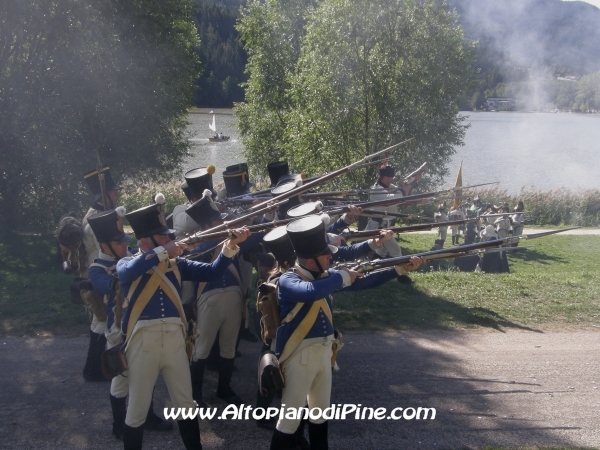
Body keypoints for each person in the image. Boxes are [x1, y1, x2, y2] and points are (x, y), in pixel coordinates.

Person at [270, 215, 424, 450]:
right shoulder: (288, 280)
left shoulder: (327, 277)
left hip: (324, 355)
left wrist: (399, 269)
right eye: (325, 254)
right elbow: (310, 291)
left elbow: (365, 281)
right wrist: (342, 276)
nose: (331, 256)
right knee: (289, 420)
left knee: (320, 416)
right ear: (312, 260)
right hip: (298, 357)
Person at [116, 194, 250, 449]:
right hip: (142, 342)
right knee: (137, 410)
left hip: (176, 342)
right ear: (145, 241)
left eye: (168, 237)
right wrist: (162, 251)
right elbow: (128, 271)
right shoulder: (128, 262)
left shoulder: (176, 264)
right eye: (163, 238)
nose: (170, 240)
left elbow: (212, 272)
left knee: (186, 405)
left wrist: (230, 246)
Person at [87, 208, 172, 439]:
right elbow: (112, 285)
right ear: (105, 246)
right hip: (119, 331)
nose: (125, 246)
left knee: (148, 374)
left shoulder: (134, 255)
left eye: (125, 241)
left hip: (141, 325)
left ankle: (149, 416)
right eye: (118, 242)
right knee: (121, 381)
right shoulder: (96, 269)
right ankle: (118, 424)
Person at [185, 192, 264, 407]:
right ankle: (196, 392)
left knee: (228, 348)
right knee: (201, 349)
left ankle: (224, 388)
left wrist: (262, 217)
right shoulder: (201, 245)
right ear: (209, 225)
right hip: (208, 299)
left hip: (234, 298)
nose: (224, 221)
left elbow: (255, 238)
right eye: (219, 220)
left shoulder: (230, 239)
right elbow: (197, 256)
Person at [80, 165, 121, 381]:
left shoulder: (96, 215)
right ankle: (94, 369)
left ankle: (95, 368)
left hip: (99, 274)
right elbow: (109, 249)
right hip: (99, 276)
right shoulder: (97, 221)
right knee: (102, 322)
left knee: (101, 322)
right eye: (112, 192)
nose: (116, 194)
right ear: (102, 195)